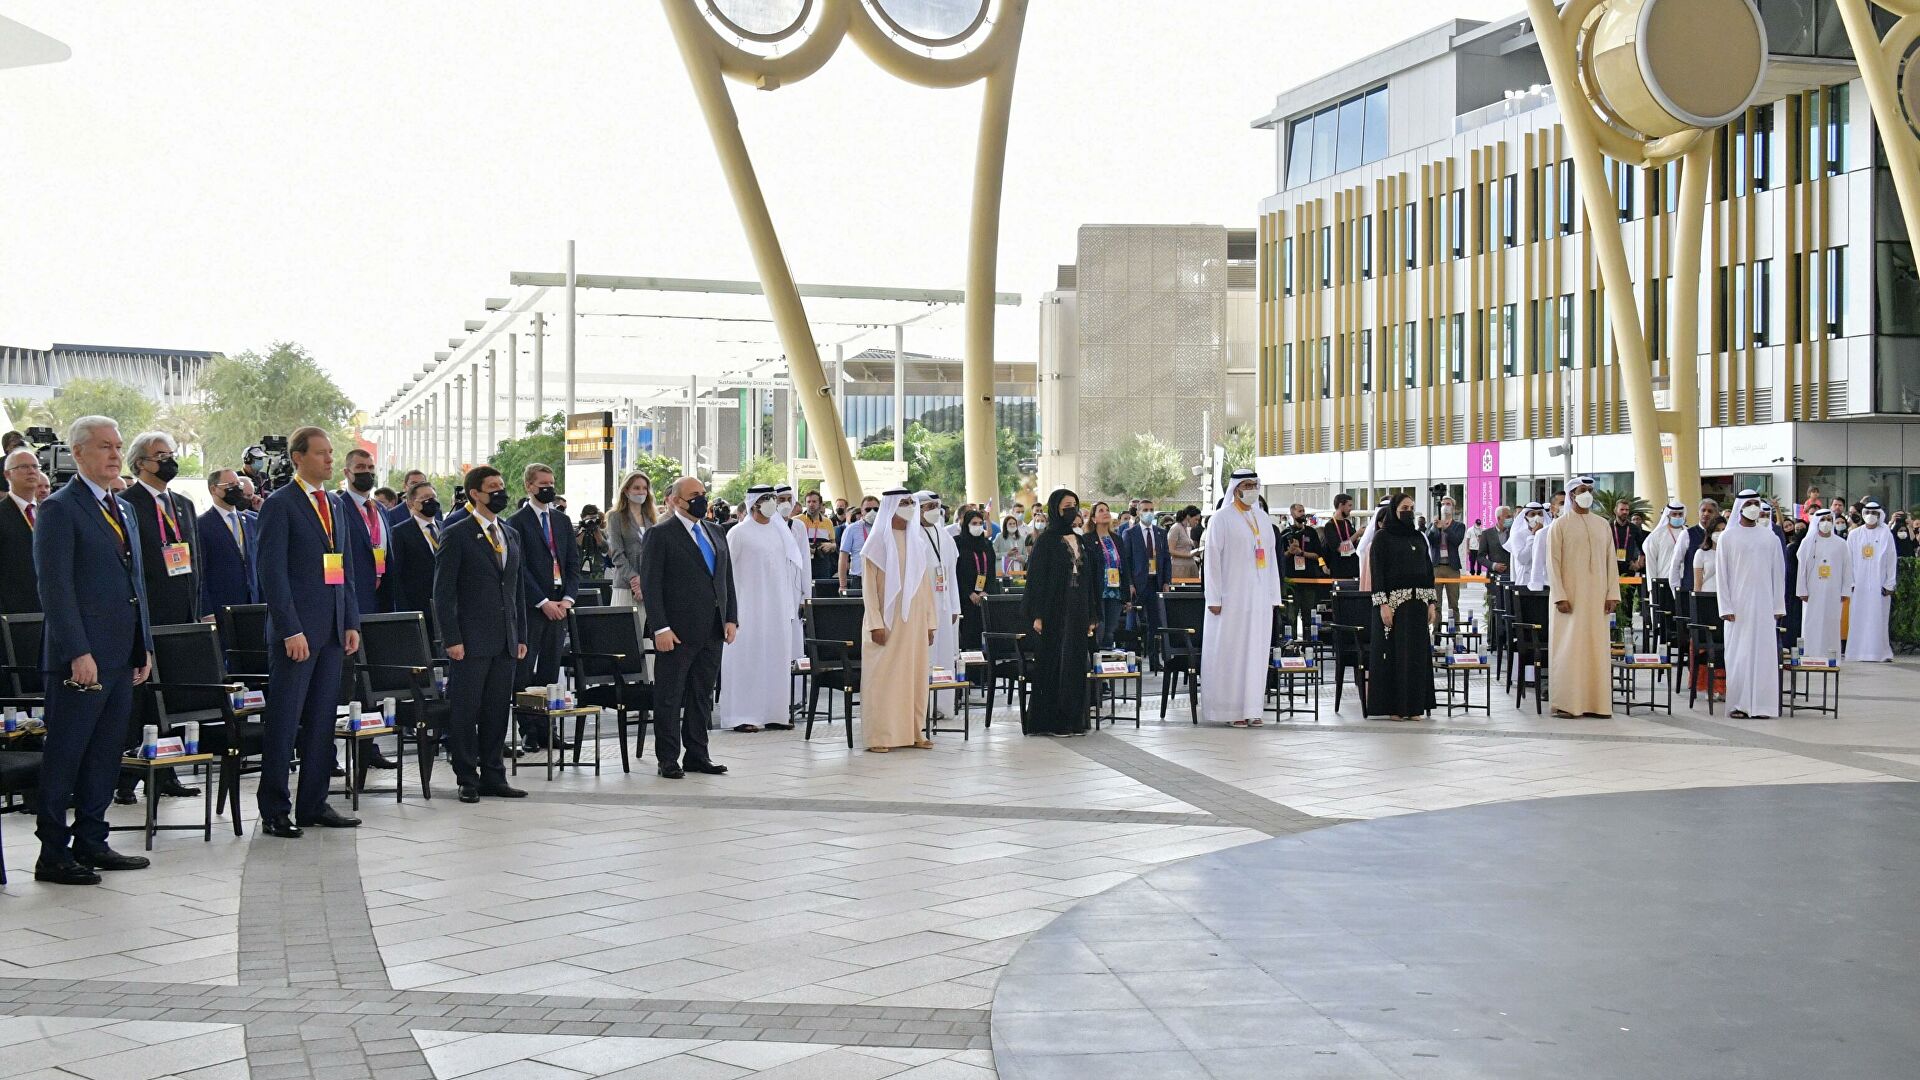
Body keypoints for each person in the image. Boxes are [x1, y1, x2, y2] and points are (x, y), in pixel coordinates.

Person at [30, 417, 155, 885]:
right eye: (105, 447)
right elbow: (55, 588)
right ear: (78, 453)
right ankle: (52, 853)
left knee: (105, 753)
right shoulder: (61, 509)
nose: (114, 455)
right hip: (81, 658)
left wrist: (143, 645)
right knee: (68, 753)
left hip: (122, 654)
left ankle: (92, 840)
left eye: (119, 447)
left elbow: (135, 584)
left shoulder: (121, 509)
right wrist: (77, 650)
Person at [255, 427, 362, 838]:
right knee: (285, 722)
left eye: (331, 453)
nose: (329, 460)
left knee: (321, 720)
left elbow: (342, 567)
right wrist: (289, 628)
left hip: (332, 629)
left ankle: (314, 802)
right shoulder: (281, 504)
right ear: (298, 458)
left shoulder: (333, 505)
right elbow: (272, 572)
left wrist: (349, 620)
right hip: (297, 634)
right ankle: (275, 808)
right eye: (321, 454)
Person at [433, 465, 530, 802]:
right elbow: (444, 593)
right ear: (475, 493)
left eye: (502, 486)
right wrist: (452, 639)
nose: (500, 492)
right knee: (465, 710)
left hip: (504, 638)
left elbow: (515, 590)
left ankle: (494, 775)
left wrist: (521, 636)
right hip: (470, 639)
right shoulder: (457, 532)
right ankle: (467, 778)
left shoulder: (510, 533)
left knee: (495, 709)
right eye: (492, 487)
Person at [118, 431, 204, 804]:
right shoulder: (127, 503)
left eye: (171, 454)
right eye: (159, 456)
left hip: (181, 613)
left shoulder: (182, 504)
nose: (168, 461)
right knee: (140, 699)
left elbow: (192, 559)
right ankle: (125, 779)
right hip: (147, 611)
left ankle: (167, 772)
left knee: (169, 698)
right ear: (140, 463)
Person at [641, 476, 736, 777]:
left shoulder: (715, 530)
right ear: (676, 500)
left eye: (703, 494)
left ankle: (697, 753)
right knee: (670, 695)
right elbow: (651, 584)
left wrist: (731, 617)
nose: (701, 499)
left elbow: (725, 579)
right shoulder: (661, 534)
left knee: (701, 694)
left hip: (712, 628)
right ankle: (668, 757)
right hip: (677, 631)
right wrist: (660, 628)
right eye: (694, 495)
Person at [717, 487, 806, 733]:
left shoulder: (780, 532)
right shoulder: (739, 532)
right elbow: (725, 573)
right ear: (754, 503)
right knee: (748, 659)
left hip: (777, 606)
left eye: (773, 499)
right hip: (747, 606)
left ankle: (774, 712)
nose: (771, 503)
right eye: (766, 499)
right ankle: (742, 715)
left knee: (775, 656)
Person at [1203, 470, 1284, 728]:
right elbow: (1212, 561)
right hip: (1230, 599)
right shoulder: (1221, 518)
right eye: (1246, 485)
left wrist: (1274, 595)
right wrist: (1214, 597)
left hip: (1259, 600)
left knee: (1256, 653)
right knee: (1232, 652)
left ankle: (1252, 707)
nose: (1251, 489)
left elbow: (1271, 560)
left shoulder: (1262, 518)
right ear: (1236, 488)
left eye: (1254, 485)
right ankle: (1230, 710)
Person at [509, 464, 580, 751]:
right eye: (542, 484)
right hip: (532, 606)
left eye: (551, 483)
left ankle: (548, 728)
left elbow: (572, 563)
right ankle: (528, 728)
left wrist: (568, 599)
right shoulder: (517, 522)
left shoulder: (562, 521)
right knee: (524, 672)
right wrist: (542, 602)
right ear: (529, 486)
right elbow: (519, 568)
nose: (548, 488)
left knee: (551, 670)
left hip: (560, 603)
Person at [859, 490, 936, 751]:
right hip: (886, 623)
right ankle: (880, 736)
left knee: (913, 676)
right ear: (890, 507)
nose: (909, 507)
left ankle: (914, 732)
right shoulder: (876, 544)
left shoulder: (917, 542)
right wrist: (875, 623)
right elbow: (868, 590)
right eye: (903, 503)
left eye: (911, 503)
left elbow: (924, 588)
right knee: (883, 678)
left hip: (914, 623)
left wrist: (930, 622)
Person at [1022, 489, 1100, 736]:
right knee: (1056, 663)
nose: (1072, 510)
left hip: (1078, 608)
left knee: (1076, 663)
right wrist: (1036, 614)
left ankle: (1073, 719)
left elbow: (1089, 579)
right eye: (1067, 506)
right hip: (1054, 609)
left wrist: (1092, 615)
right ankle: (1053, 721)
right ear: (1056, 508)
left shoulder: (1081, 540)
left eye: (1075, 506)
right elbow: (1036, 580)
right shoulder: (1046, 541)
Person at [1545, 476, 1615, 719]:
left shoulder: (1602, 525)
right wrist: (1560, 595)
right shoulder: (1560, 525)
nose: (1587, 494)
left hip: (1597, 599)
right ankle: (1567, 703)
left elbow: (1610, 562)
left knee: (1596, 649)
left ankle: (1598, 704)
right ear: (1572, 495)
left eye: (1589, 490)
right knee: (1569, 649)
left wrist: (1612, 594)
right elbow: (1552, 564)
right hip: (1569, 600)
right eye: (1582, 490)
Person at [1366, 494, 1438, 721]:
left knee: (1416, 655)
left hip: (1417, 606)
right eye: (1404, 507)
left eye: (1412, 508)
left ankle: (1415, 706)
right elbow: (1378, 573)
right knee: (1395, 655)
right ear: (1394, 510)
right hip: (1394, 607)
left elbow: (1428, 572)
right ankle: (1394, 706)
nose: (1409, 511)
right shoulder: (1382, 538)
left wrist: (1432, 604)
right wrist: (1383, 604)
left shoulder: (1417, 537)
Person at [1719, 490, 1785, 719]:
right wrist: (1725, 607)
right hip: (1738, 608)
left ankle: (1762, 706)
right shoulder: (1728, 537)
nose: (1753, 507)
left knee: (1764, 656)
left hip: (1765, 606)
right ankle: (1738, 705)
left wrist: (1778, 607)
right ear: (1740, 507)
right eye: (1749, 503)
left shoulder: (1770, 538)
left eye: (1756, 503)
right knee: (1739, 655)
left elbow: (1778, 574)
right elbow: (1722, 576)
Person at [915, 492, 963, 716]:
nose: (935, 510)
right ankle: (922, 707)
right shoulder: (912, 535)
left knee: (944, 656)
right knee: (925, 656)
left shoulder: (944, 536)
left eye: (936, 506)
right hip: (922, 607)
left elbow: (952, 574)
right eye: (929, 506)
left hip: (944, 605)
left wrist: (955, 607)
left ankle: (942, 706)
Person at [337, 449, 392, 620]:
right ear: (347, 472)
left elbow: (381, 548)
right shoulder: (337, 507)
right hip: (352, 598)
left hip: (382, 596)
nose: (367, 472)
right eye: (360, 467)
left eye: (370, 467)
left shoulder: (380, 509)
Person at [198, 469, 259, 618]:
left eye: (238, 484)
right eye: (230, 484)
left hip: (254, 605)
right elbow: (200, 573)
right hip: (221, 607)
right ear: (214, 489)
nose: (237, 488)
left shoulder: (251, 522)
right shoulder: (201, 525)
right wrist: (206, 611)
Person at [1845, 499, 1898, 663]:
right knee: (1858, 618)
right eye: (1867, 513)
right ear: (1863, 514)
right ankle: (1856, 652)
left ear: (1879, 515)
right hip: (1858, 585)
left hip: (1879, 585)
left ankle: (1879, 653)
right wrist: (1851, 583)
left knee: (1878, 618)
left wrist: (1889, 583)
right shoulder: (1854, 534)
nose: (1870, 516)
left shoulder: (1885, 534)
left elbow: (1891, 560)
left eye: (1874, 513)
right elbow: (1848, 561)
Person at [1796, 509, 1851, 659]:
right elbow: (1802, 568)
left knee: (1832, 621)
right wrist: (1802, 590)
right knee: (1811, 621)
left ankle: (1831, 655)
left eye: (1829, 519)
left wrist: (1846, 590)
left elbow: (1847, 568)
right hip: (1812, 590)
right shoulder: (1807, 542)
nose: (1826, 523)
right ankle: (1810, 654)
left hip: (1834, 589)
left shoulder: (1841, 543)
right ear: (1816, 522)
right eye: (1822, 519)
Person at [1120, 502, 1169, 668]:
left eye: (1151, 510)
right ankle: (1131, 660)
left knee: (1155, 623)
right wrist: (1129, 584)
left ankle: (1155, 659)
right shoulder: (1130, 533)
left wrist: (1166, 581)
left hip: (1155, 582)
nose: (1149, 513)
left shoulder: (1161, 533)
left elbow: (1166, 559)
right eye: (1145, 510)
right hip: (1138, 583)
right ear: (1139, 513)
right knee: (1132, 623)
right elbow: (1126, 561)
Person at [387, 481, 443, 620]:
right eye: (425, 498)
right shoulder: (400, 532)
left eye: (434, 497)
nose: (431, 501)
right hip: (417, 606)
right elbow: (397, 574)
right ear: (411, 503)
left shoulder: (445, 529)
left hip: (444, 605)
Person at [0, 447, 45, 614]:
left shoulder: (48, 512)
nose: (32, 471)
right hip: (13, 612)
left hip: (46, 608)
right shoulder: (2, 514)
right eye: (24, 467)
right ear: (7, 475)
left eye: (35, 466)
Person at [606, 469, 657, 616]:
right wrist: (635, 580)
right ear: (626, 490)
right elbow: (617, 554)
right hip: (625, 586)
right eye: (636, 488)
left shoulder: (652, 518)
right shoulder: (615, 517)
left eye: (644, 488)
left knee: (648, 637)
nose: (641, 492)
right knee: (626, 635)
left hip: (649, 587)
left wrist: (646, 581)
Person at [955, 507, 999, 651]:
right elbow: (956, 572)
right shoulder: (958, 543)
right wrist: (969, 593)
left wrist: (986, 591)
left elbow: (991, 572)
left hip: (984, 598)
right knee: (969, 637)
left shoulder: (987, 544)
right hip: (966, 599)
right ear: (966, 525)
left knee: (984, 635)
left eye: (980, 523)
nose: (978, 526)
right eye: (974, 523)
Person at [1643, 501, 1688, 637]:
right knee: (1665, 623)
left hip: (1684, 583)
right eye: (1674, 514)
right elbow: (1650, 564)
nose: (1677, 516)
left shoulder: (1688, 533)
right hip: (1663, 584)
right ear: (1668, 515)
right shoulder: (1656, 536)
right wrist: (1653, 587)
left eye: (1680, 514)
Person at [1087, 502, 1127, 649]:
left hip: (1115, 589)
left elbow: (1124, 565)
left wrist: (1126, 595)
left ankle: (1107, 660)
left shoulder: (1116, 539)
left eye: (1107, 510)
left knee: (1111, 630)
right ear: (1093, 518)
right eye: (1101, 510)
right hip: (1098, 589)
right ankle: (1096, 659)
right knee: (1100, 626)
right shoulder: (1088, 539)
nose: (1106, 513)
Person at [1608, 498, 1647, 640]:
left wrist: (1639, 562)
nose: (1625, 512)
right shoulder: (1608, 527)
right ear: (1615, 511)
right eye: (1622, 509)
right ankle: (1611, 634)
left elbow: (1644, 547)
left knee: (1628, 601)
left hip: (1629, 569)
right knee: (1611, 600)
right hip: (1610, 569)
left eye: (1627, 510)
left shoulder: (1634, 528)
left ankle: (1627, 632)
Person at [1426, 497, 1465, 623]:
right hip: (1436, 567)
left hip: (1452, 568)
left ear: (1453, 508)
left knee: (1453, 604)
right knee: (1435, 603)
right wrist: (1435, 527)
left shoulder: (1459, 525)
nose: (1445, 506)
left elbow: (1456, 540)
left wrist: (1446, 528)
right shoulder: (1434, 524)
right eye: (1443, 504)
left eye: (1448, 504)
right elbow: (1429, 539)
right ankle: (1435, 633)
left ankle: (1454, 632)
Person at [838, 494, 880, 595]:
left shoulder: (885, 528)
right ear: (861, 511)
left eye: (875, 509)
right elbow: (843, 558)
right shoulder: (852, 529)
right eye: (868, 509)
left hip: (880, 578)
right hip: (859, 578)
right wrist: (842, 585)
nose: (872, 512)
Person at [795, 489, 838, 581]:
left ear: (820, 504)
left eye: (814, 501)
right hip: (802, 564)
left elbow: (834, 544)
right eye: (808, 502)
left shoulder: (828, 522)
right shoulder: (796, 521)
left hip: (822, 565)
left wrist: (831, 545)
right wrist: (805, 547)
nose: (811, 504)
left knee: (821, 592)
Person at [1319, 494, 1361, 580]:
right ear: (1341, 505)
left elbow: (1354, 542)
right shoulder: (1330, 526)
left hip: (1353, 568)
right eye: (1349, 505)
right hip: (1339, 571)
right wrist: (1357, 534)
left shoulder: (1347, 523)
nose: (1351, 509)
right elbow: (1339, 548)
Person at [1510, 503, 1547, 589]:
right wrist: (1533, 536)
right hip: (1525, 583)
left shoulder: (1548, 533)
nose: (1537, 517)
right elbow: (1523, 559)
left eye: (1539, 514)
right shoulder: (1518, 535)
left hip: (1545, 582)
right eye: (1533, 514)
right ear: (1525, 517)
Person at [1169, 506, 1201, 580]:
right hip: (1179, 567)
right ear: (1188, 517)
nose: (1197, 522)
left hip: (1190, 565)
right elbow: (1171, 550)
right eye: (1195, 519)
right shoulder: (1176, 528)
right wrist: (1188, 554)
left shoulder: (1187, 529)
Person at [576, 505, 607, 575]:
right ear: (582, 517)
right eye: (589, 520)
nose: (592, 522)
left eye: (595, 519)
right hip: (578, 572)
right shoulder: (575, 532)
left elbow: (605, 549)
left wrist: (596, 531)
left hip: (597, 572)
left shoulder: (601, 533)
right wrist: (583, 528)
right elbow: (575, 548)